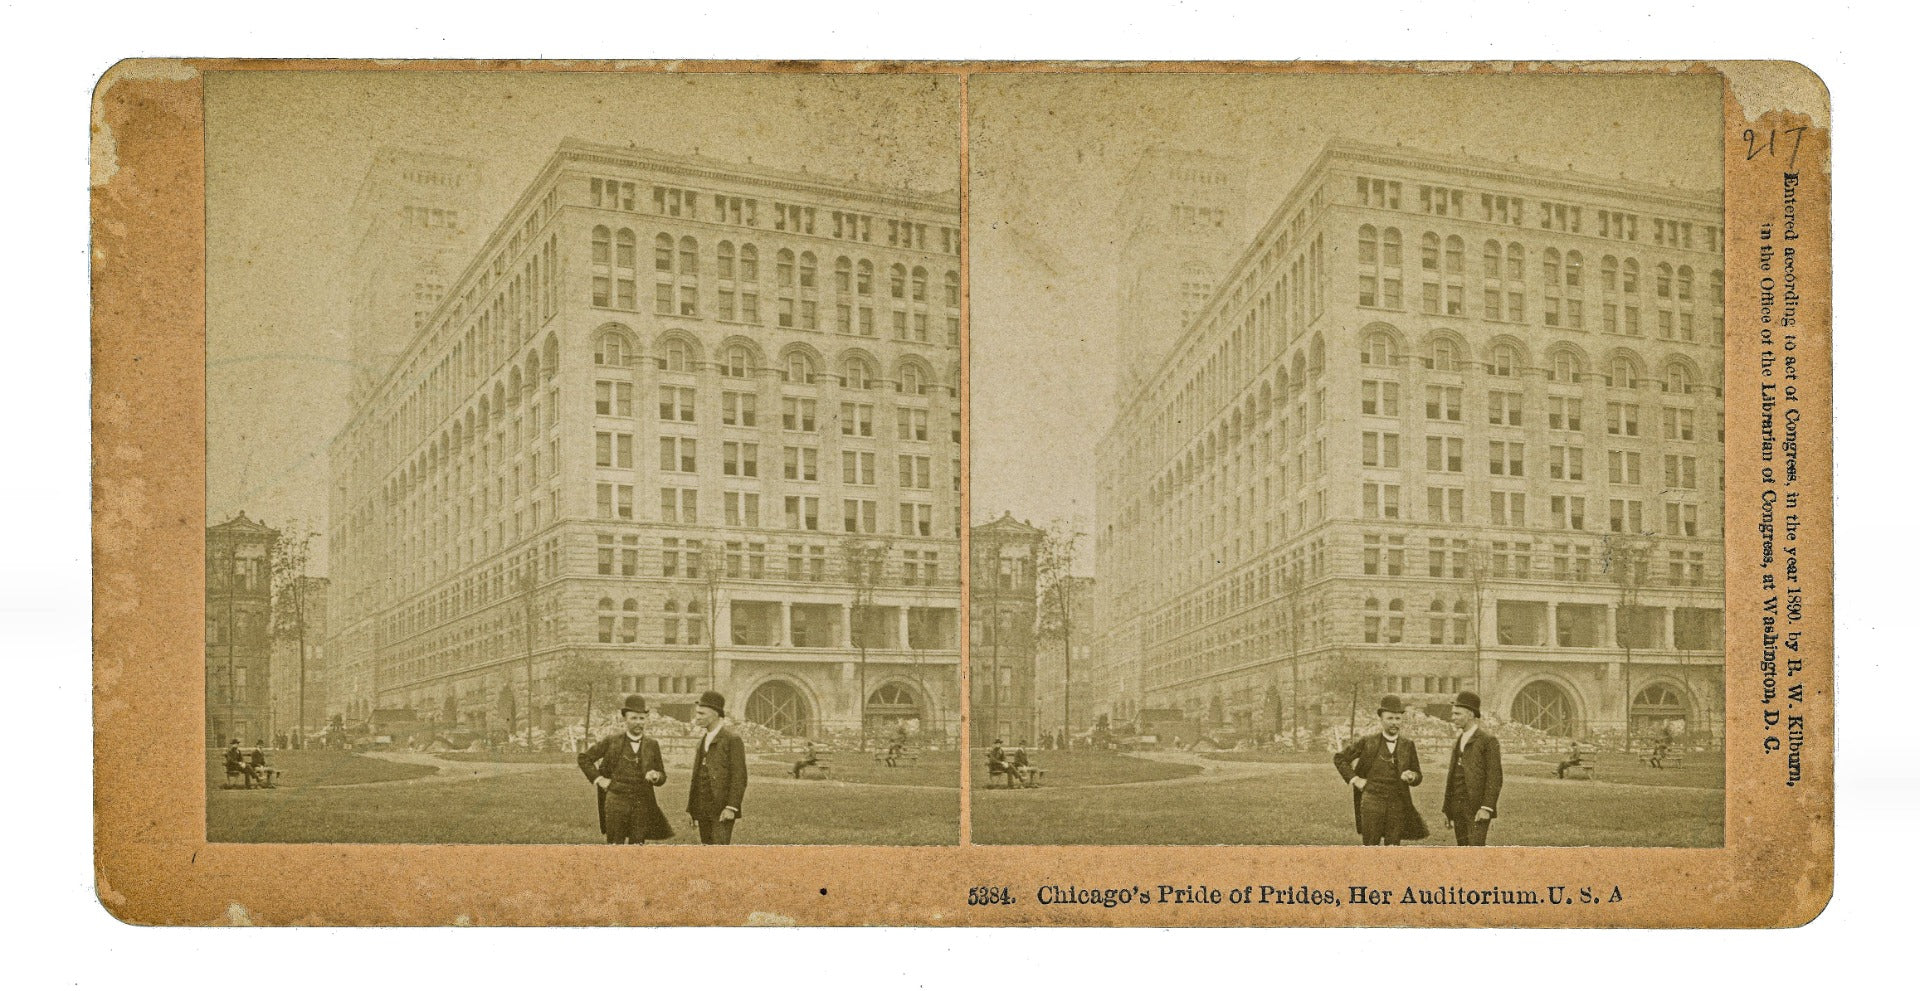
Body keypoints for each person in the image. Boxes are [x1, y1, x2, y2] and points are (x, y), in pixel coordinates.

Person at [577, 694, 672, 844]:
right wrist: (599, 779)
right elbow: (584, 758)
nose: (638, 722)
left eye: (642, 718)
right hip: (616, 800)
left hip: (642, 802)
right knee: (615, 844)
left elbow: (662, 776)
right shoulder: (612, 741)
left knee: (637, 845)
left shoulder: (652, 744)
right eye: (633, 718)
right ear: (624, 719)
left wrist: (656, 776)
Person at [1333, 695, 1427, 845]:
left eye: (1398, 718)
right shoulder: (1368, 742)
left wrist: (1412, 776)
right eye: (1390, 718)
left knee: (1393, 846)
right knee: (1371, 845)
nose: (1394, 723)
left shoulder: (1407, 745)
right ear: (1381, 719)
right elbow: (1340, 758)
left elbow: (1418, 775)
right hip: (1371, 801)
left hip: (1397, 803)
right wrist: (1355, 780)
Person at [1442, 691, 1504, 846]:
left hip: (1477, 809)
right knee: (1462, 852)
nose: (1453, 717)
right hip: (1457, 806)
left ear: (1470, 714)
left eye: (1457, 714)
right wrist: (1447, 809)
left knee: (1476, 852)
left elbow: (1494, 777)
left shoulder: (1487, 741)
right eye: (1453, 714)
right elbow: (1452, 777)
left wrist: (1486, 808)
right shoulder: (1458, 740)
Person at [687, 691, 748, 845]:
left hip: (722, 809)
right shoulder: (703, 740)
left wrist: (731, 807)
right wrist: (693, 809)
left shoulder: (732, 739)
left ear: (715, 714)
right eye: (697, 713)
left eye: (701, 713)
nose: (697, 717)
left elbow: (739, 776)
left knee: (719, 853)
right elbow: (697, 777)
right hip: (702, 808)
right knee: (706, 851)